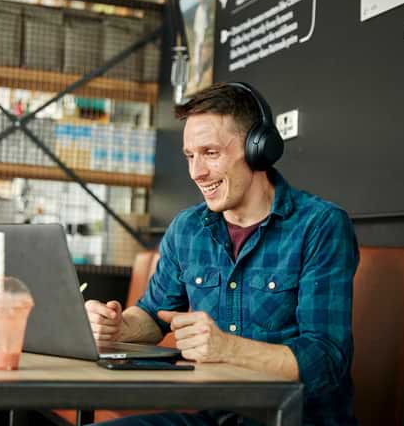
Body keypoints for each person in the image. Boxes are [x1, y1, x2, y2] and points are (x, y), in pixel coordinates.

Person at [85, 82, 360, 425]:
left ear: (259, 148)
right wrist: (118, 328)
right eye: (190, 156)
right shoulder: (187, 228)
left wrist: (226, 348)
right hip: (212, 416)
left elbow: (326, 361)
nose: (196, 172)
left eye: (210, 153)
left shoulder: (320, 225)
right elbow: (154, 315)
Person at [192, 0, 208, 85]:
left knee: (200, 56)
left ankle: (198, 77)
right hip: (198, 36)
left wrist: (202, 37)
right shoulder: (198, 9)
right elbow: (196, 25)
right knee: (197, 57)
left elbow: (205, 24)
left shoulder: (204, 8)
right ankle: (197, 77)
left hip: (201, 36)